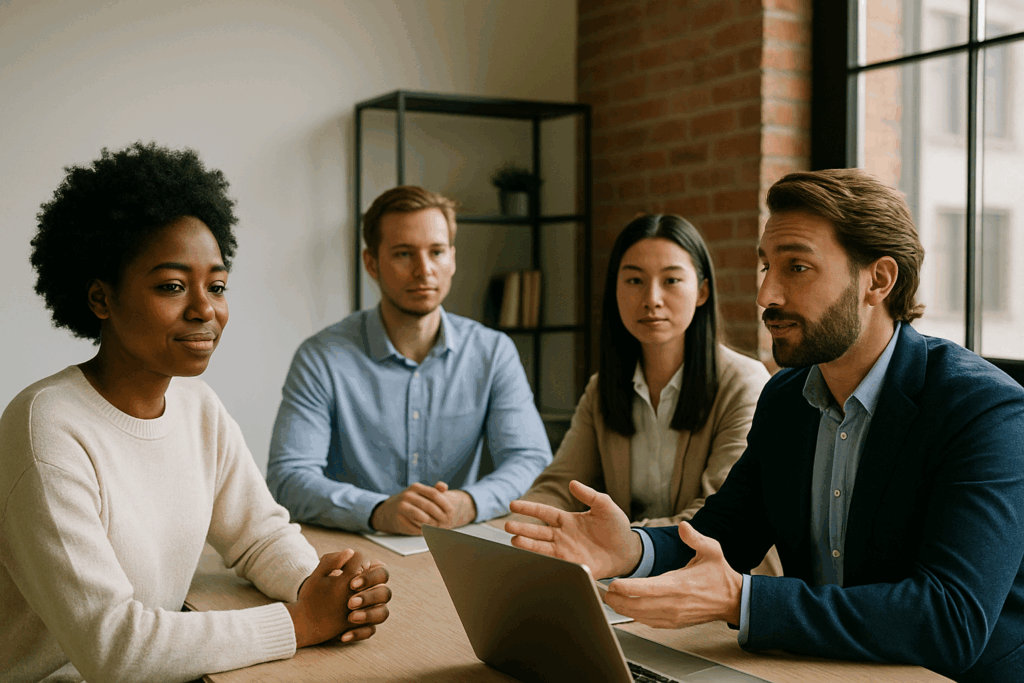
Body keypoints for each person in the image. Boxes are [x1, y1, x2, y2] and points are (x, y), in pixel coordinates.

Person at [506, 169, 1024, 683]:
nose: (766, 295)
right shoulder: (786, 398)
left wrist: (740, 599)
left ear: (879, 280)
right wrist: (631, 549)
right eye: (765, 267)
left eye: (797, 267)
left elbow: (950, 620)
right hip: (813, 670)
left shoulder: (983, 409)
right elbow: (724, 534)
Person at [0, 142, 392, 683]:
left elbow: (258, 535)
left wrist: (326, 587)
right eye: (172, 287)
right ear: (100, 299)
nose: (205, 309)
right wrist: (301, 622)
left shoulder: (197, 407)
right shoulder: (46, 428)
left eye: (217, 286)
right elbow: (115, 648)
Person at [266, 185, 552, 536]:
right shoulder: (321, 358)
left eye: (437, 252)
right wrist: (376, 510)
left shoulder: (493, 353)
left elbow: (532, 461)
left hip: (458, 544)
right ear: (371, 263)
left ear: (452, 258)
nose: (424, 270)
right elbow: (288, 479)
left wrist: (469, 503)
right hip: (355, 548)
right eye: (404, 254)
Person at [517, 215, 779, 575]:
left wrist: (617, 543)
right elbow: (559, 487)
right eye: (634, 281)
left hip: (717, 580)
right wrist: (520, 528)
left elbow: (720, 519)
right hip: (625, 575)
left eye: (671, 280)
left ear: (702, 291)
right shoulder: (602, 388)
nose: (651, 299)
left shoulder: (744, 383)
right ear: (615, 290)